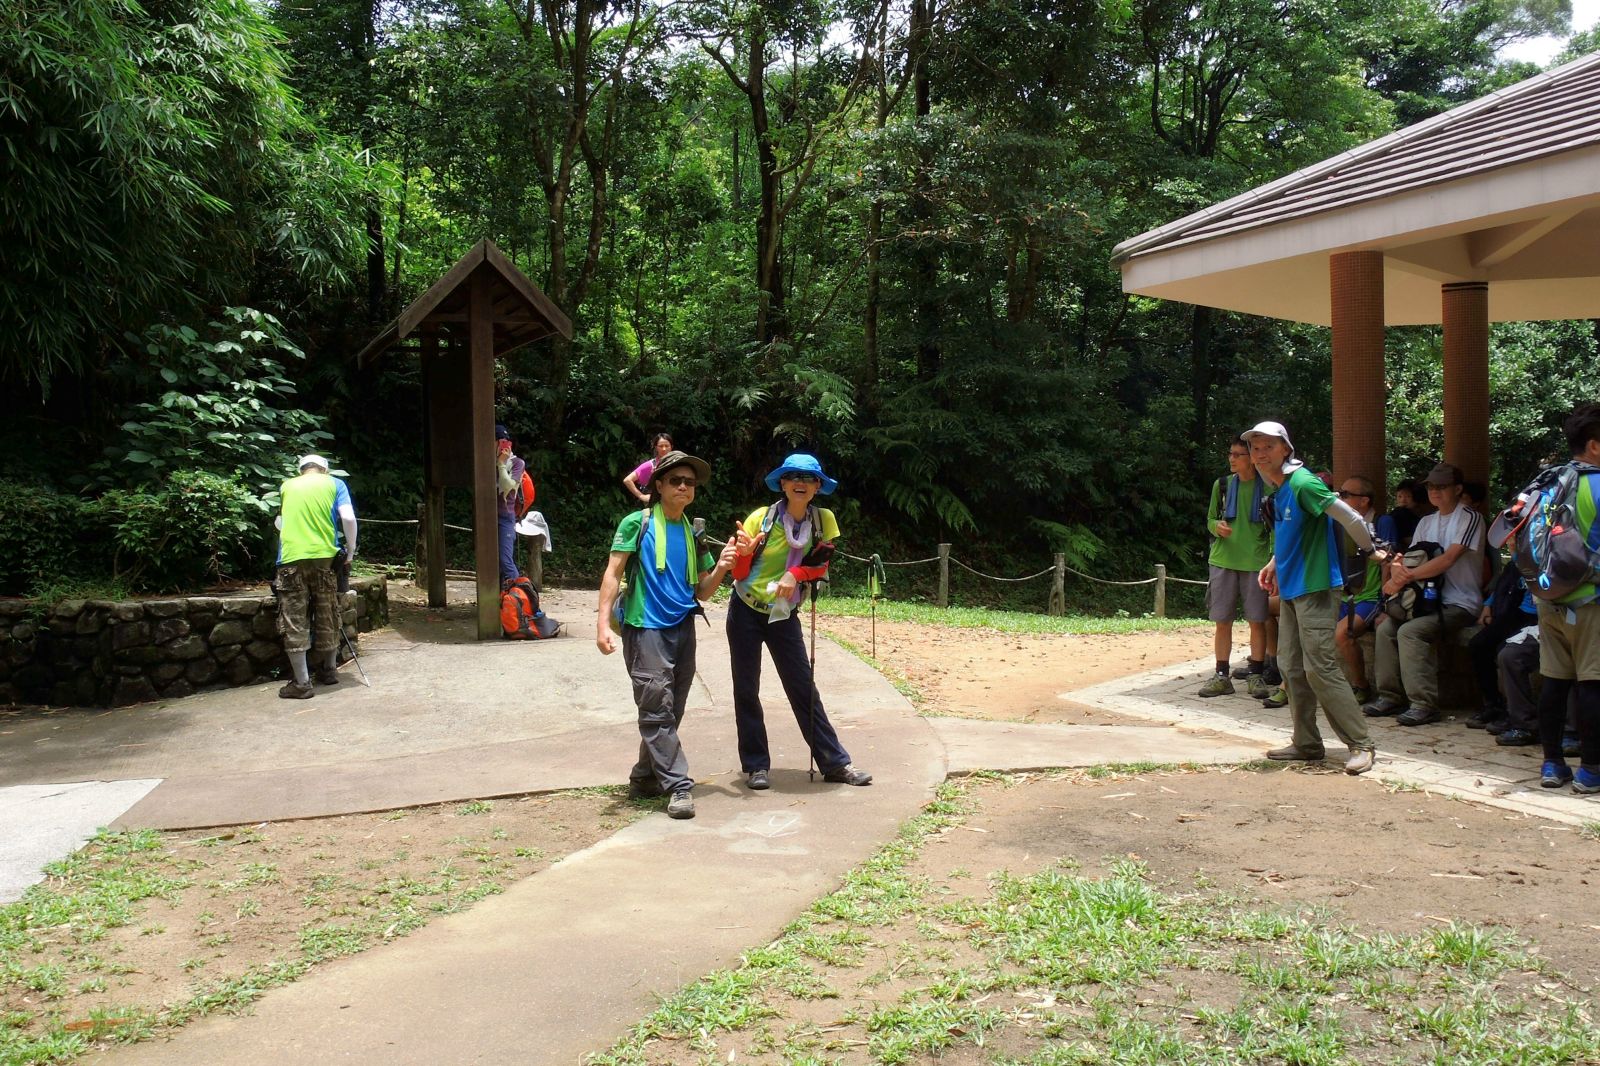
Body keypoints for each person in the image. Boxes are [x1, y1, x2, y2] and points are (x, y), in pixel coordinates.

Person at [597, 450, 737, 820]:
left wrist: (723, 567)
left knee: (670, 709)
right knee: (657, 708)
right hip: (645, 628)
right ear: (658, 485)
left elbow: (702, 591)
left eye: (689, 482)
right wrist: (602, 624)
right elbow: (613, 573)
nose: (683, 487)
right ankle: (678, 786)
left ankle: (645, 778)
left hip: (683, 627)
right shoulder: (636, 523)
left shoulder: (693, 532)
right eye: (675, 480)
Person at [728, 453, 873, 790]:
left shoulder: (823, 520)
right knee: (746, 688)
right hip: (746, 608)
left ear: (818, 486)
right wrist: (744, 554)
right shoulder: (760, 519)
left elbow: (821, 563)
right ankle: (756, 766)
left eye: (808, 478)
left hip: (784, 613)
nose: (800, 483)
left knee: (803, 687)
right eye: (793, 476)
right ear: (782, 483)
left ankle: (835, 763)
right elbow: (738, 573)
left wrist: (795, 573)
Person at [1246, 421, 1381, 775]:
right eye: (1255, 448)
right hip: (1292, 588)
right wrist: (1274, 563)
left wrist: (1371, 550)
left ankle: (1361, 744)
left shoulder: (1304, 483)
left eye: (1268, 446)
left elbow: (1350, 516)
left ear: (1285, 449)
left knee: (1319, 667)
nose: (1261, 454)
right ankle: (1306, 743)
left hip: (1317, 586)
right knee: (1291, 667)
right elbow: (1294, 535)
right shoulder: (1280, 489)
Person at [1362, 462, 1485, 727]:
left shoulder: (1470, 517)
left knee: (1410, 631)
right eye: (1431, 487)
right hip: (1422, 601)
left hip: (1459, 602)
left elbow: (1448, 559)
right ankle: (1389, 697)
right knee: (1385, 628)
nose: (1435, 491)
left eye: (1442, 486)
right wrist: (1397, 572)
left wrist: (1406, 576)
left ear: (1458, 489)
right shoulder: (1426, 522)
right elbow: (1410, 558)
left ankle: (1423, 705)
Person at [1528, 403, 1600, 793]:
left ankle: (1553, 764)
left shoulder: (1549, 482)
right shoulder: (1597, 485)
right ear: (1594, 445)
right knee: (1593, 682)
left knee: (1554, 682)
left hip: (1549, 595)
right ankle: (1591, 770)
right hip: (1591, 600)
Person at [275, 454, 357, 700]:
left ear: (301, 470)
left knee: (294, 619)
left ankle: (302, 683)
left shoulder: (287, 486)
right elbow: (348, 517)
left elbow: (281, 522)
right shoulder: (335, 483)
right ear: (325, 469)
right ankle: (329, 670)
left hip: (291, 559)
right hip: (324, 559)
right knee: (327, 612)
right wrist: (350, 551)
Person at [1199, 437, 1273, 699]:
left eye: (1238, 454)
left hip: (1256, 563)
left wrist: (1273, 560)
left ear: (1251, 458)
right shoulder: (1221, 485)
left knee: (1257, 621)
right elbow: (1210, 518)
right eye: (1230, 453)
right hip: (1223, 560)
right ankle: (1221, 675)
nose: (1232, 459)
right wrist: (1215, 526)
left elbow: (1275, 528)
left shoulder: (1268, 487)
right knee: (1222, 621)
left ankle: (1256, 674)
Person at [1331, 476, 1396, 704]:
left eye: (1346, 494)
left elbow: (1389, 561)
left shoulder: (1382, 522)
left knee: (1342, 634)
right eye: (1339, 493)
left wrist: (1386, 602)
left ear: (1364, 501)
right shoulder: (1338, 522)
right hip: (1342, 594)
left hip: (1369, 597)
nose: (1340, 498)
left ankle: (1361, 686)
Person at [495, 424, 526, 585]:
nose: (503, 445)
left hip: (506, 517)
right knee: (492, 561)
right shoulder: (485, 463)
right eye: (500, 441)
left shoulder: (517, 463)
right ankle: (502, 596)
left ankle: (520, 593)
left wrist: (501, 464)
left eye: (506, 442)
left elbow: (508, 486)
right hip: (487, 516)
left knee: (505, 560)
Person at [623, 433, 674, 504]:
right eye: (661, 446)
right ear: (656, 447)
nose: (664, 449)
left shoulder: (676, 463)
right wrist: (641, 496)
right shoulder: (650, 465)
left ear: (671, 447)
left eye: (667, 446)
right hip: (655, 505)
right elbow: (627, 480)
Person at [1390, 481, 1422, 548]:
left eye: (1408, 496)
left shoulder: (1415, 514)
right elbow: (1408, 540)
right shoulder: (1400, 514)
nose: (1403, 500)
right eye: (1400, 496)